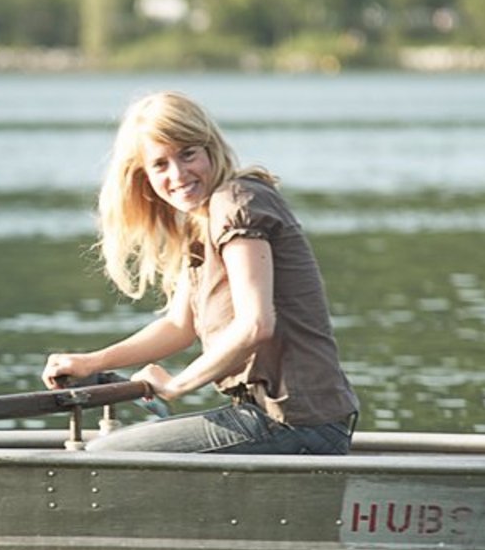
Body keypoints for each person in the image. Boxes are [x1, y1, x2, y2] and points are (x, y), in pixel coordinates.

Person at [42, 91, 358, 454]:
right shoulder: (202, 222)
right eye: (160, 165)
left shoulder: (234, 202)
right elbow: (179, 326)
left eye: (187, 154)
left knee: (104, 455)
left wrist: (174, 386)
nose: (178, 174)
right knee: (108, 449)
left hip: (292, 422)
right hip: (272, 419)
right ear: (143, 176)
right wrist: (92, 361)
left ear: (210, 149)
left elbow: (256, 325)